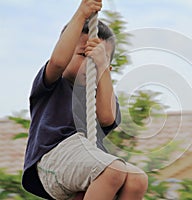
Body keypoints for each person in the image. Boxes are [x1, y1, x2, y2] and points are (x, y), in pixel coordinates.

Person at [22, 0, 148, 199]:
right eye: (83, 54)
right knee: (114, 171)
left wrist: (103, 67)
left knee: (137, 179)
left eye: (97, 60)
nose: (90, 63)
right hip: (52, 159)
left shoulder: (101, 97)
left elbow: (106, 117)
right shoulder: (53, 83)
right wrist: (82, 13)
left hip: (84, 164)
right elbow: (58, 61)